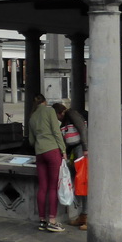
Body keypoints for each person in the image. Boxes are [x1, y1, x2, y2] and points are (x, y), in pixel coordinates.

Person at [27, 93, 67, 232]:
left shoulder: (32, 117)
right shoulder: (50, 111)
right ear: (45, 101)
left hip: (39, 153)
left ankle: (42, 221)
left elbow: (31, 141)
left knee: (42, 187)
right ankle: (52, 220)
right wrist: (63, 149)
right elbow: (56, 132)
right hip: (52, 151)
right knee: (53, 187)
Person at [52, 102, 89, 229]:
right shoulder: (66, 119)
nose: (57, 119)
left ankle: (87, 217)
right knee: (80, 182)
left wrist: (85, 148)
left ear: (59, 112)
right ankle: (83, 215)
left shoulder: (71, 114)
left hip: (81, 149)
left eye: (57, 116)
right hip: (75, 149)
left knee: (83, 182)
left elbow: (82, 129)